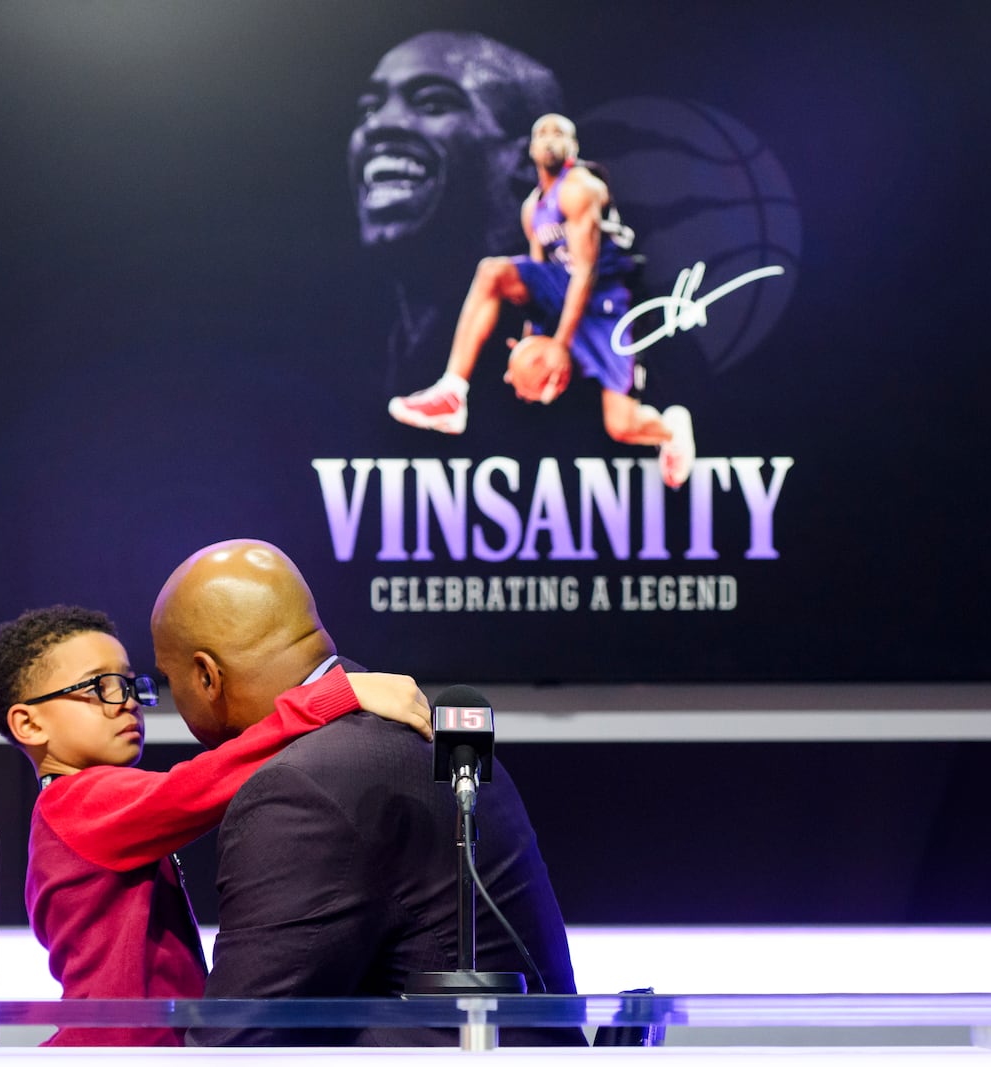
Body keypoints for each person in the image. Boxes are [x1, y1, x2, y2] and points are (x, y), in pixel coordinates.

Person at [149, 540, 586, 1046]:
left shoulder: (301, 785)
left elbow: (239, 1044)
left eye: (167, 677)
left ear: (207, 676)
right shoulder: (410, 737)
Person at [0, 604, 431, 1047]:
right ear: (29, 723)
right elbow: (201, 783)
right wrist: (335, 697)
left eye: (129, 683)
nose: (129, 701)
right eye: (101, 686)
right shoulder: (75, 804)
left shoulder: (81, 810)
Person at [387, 113, 698, 489]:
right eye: (542, 133)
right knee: (494, 272)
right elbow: (537, 277)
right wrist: (533, 337)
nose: (550, 139)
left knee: (622, 425)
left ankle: (670, 430)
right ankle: (453, 392)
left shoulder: (580, 187)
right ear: (531, 149)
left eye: (560, 133)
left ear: (573, 148)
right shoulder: (533, 208)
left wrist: (559, 347)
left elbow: (585, 272)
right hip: (564, 292)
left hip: (607, 304)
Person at [349, 31, 565, 397]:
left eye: (433, 104)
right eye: (370, 108)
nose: (378, 124)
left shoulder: (566, 342)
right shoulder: (336, 358)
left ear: (530, 160)